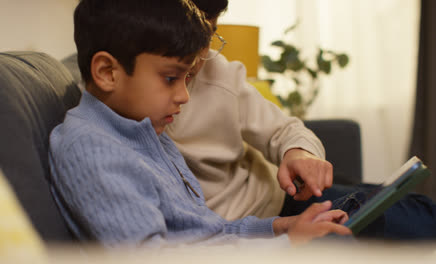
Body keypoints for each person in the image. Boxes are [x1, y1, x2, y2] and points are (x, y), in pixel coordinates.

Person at [48, 0, 350, 248]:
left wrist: (279, 228)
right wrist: (284, 244)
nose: (184, 95)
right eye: (171, 79)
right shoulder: (93, 149)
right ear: (106, 72)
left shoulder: (143, 127)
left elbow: (207, 231)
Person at [167, 0, 436, 240]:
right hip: (254, 228)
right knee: (414, 219)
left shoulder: (219, 73)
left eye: (210, 36)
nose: (199, 59)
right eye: (190, 38)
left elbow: (286, 130)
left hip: (279, 198)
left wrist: (299, 153)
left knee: (415, 207)